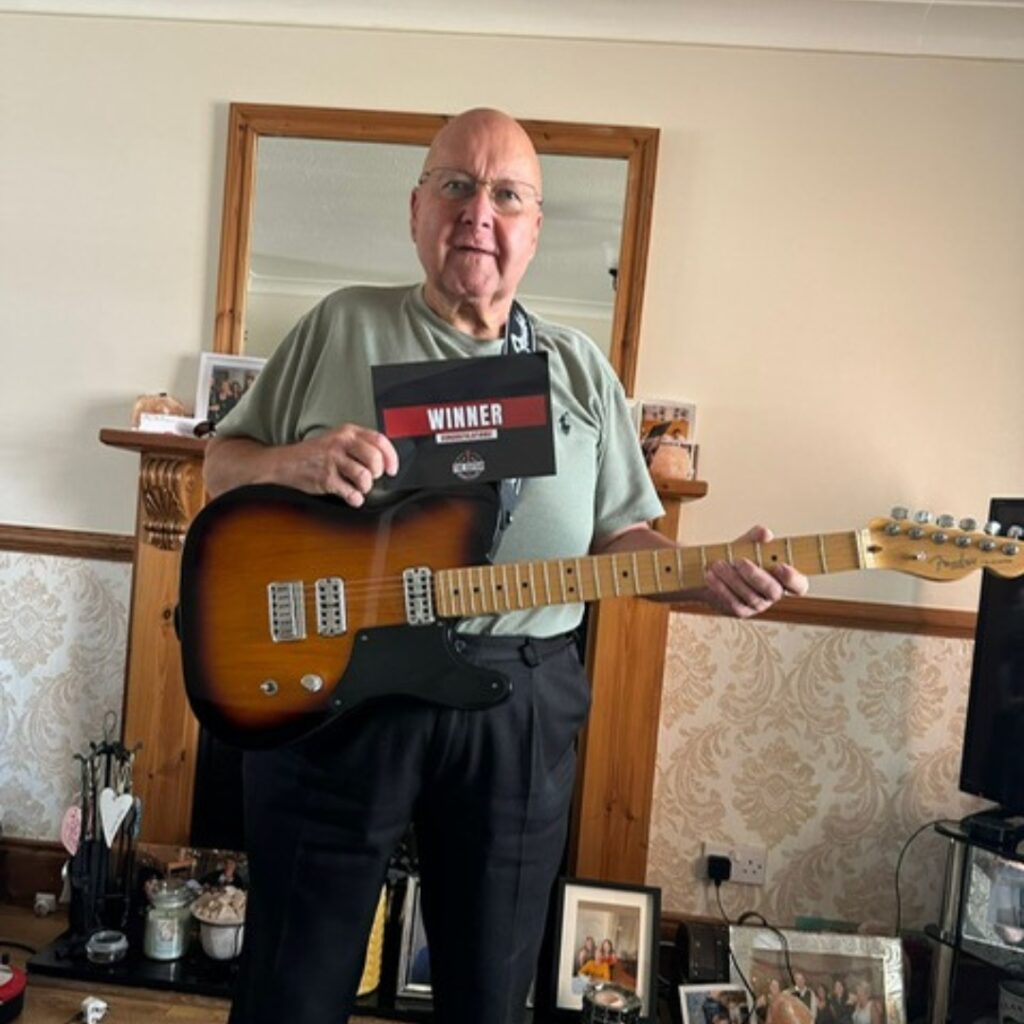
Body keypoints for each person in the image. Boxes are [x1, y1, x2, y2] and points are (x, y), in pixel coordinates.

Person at [203, 107, 808, 1024]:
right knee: (293, 982)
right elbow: (221, 467)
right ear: (417, 209)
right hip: (341, 687)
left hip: (517, 700)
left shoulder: (578, 367)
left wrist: (711, 576)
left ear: (535, 228)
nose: (477, 211)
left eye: (506, 195)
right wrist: (297, 461)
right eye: (455, 185)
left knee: (489, 994)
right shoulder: (341, 324)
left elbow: (620, 541)